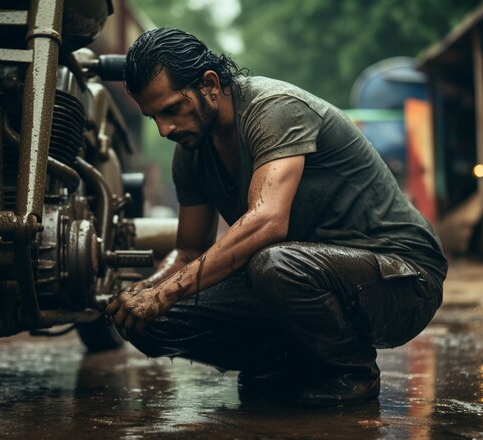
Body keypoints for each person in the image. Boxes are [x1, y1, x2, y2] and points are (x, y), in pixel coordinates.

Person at [106, 27, 447, 406]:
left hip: (404, 277)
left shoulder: (273, 108)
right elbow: (188, 252)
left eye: (171, 109)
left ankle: (351, 372)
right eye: (154, 117)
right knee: (148, 322)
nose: (165, 129)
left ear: (209, 84)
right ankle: (284, 364)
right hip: (302, 276)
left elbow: (268, 221)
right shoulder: (190, 149)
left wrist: (165, 293)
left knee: (273, 263)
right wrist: (145, 292)